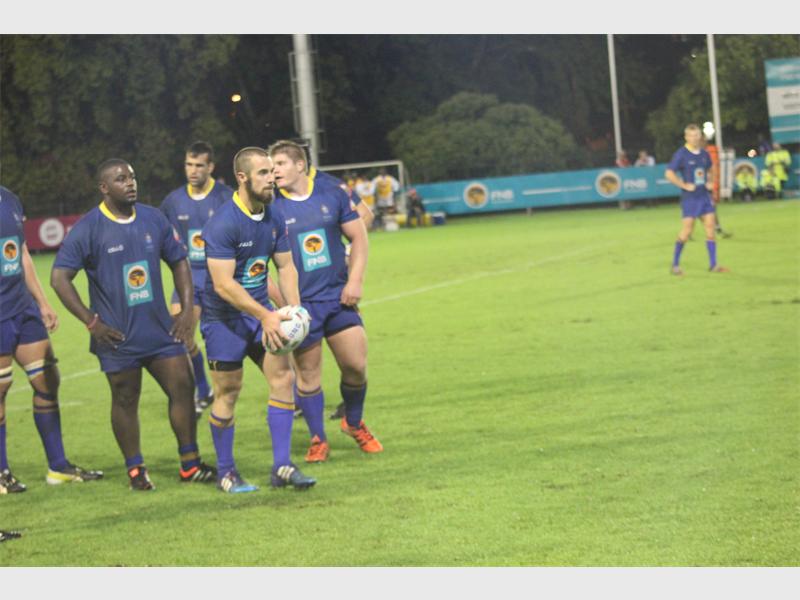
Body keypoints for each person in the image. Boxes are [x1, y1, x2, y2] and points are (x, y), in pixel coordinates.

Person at [50, 159, 216, 491]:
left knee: (183, 387)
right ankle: (135, 469)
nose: (130, 183)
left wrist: (186, 312)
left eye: (132, 177)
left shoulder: (153, 218)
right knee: (125, 399)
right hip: (117, 336)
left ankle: (190, 464)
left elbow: (179, 262)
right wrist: (91, 321)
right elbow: (59, 278)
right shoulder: (89, 227)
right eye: (121, 179)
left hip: (161, 330)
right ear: (104, 188)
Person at [200, 146, 315, 493]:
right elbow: (223, 285)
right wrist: (266, 315)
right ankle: (226, 472)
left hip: (261, 314)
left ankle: (282, 466)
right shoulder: (223, 223)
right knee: (228, 392)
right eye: (263, 172)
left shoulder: (273, 215)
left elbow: (286, 267)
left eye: (272, 171)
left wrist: (294, 310)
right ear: (242, 178)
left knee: (283, 379)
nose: (272, 178)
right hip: (224, 320)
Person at [270, 140, 382, 463]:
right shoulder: (271, 209)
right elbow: (259, 266)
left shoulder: (331, 194)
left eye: (280, 164)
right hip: (303, 306)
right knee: (308, 377)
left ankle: (353, 422)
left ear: (300, 165)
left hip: (337, 298)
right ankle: (318, 438)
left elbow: (359, 236)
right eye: (271, 166)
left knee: (356, 366)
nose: (274, 171)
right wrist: (286, 305)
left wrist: (355, 280)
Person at [1, 185, 103, 494]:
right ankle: (1, 472)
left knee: (47, 380)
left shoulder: (9, 198)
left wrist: (42, 302)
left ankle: (58, 467)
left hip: (23, 309)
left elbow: (22, 254)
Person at [160, 141, 234, 419]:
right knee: (181, 337)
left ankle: (293, 391)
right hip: (188, 280)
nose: (193, 170)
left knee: (242, 339)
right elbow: (161, 235)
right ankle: (203, 391)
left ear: (210, 167)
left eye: (199, 165)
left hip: (221, 279)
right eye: (189, 165)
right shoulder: (173, 201)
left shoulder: (226, 197)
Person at [664, 124, 729, 275]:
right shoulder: (681, 154)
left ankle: (713, 265)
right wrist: (683, 185)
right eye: (691, 136)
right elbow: (669, 174)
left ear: (700, 136)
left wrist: (711, 181)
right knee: (687, 231)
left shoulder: (704, 154)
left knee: (710, 229)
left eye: (697, 135)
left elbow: (711, 168)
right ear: (686, 137)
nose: (694, 138)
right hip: (690, 199)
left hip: (704, 196)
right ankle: (675, 265)